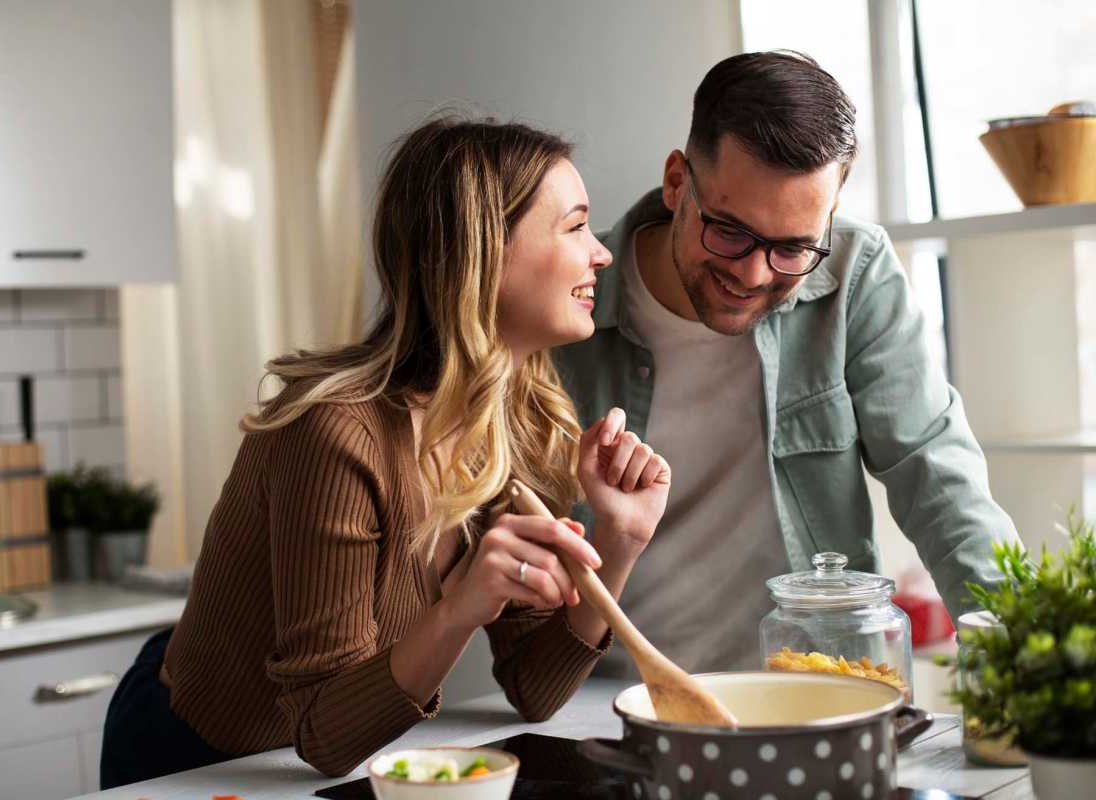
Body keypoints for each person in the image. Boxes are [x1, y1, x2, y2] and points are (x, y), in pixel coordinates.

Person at [100, 116, 673, 786]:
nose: (600, 254)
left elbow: (536, 689)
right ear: (483, 252)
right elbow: (322, 732)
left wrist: (622, 541)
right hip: (194, 765)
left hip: (323, 768)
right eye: (574, 226)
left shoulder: (520, 419)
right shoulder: (334, 433)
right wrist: (460, 608)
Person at [554, 51, 1020, 680]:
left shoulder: (855, 269)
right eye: (729, 231)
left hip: (817, 687)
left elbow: (936, 471)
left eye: (793, 247)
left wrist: (1020, 659)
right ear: (675, 183)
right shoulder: (569, 295)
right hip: (613, 701)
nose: (752, 275)